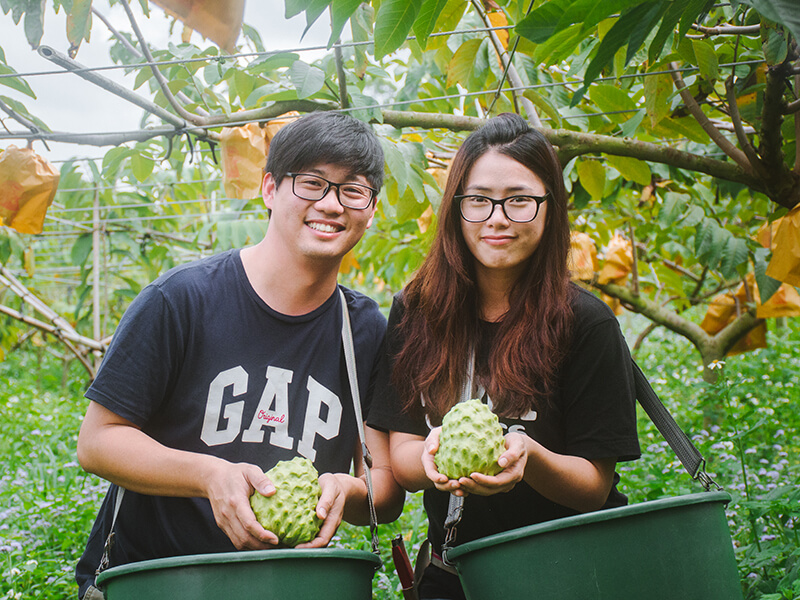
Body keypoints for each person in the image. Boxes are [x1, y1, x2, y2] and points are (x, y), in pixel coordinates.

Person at [75, 111, 405, 600]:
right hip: (160, 580)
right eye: (312, 183)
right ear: (270, 189)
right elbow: (98, 442)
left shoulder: (364, 330)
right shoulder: (181, 300)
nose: (332, 205)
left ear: (371, 209)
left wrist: (348, 490)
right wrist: (210, 475)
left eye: (353, 190)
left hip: (286, 587)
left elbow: (382, 485)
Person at [368, 113, 641, 600]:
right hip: (454, 579)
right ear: (456, 208)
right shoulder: (417, 311)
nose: (497, 218)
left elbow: (594, 485)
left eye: (519, 200)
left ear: (549, 208)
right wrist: (431, 455)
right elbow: (402, 456)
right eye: (479, 201)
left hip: (567, 576)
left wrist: (528, 458)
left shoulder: (585, 323)